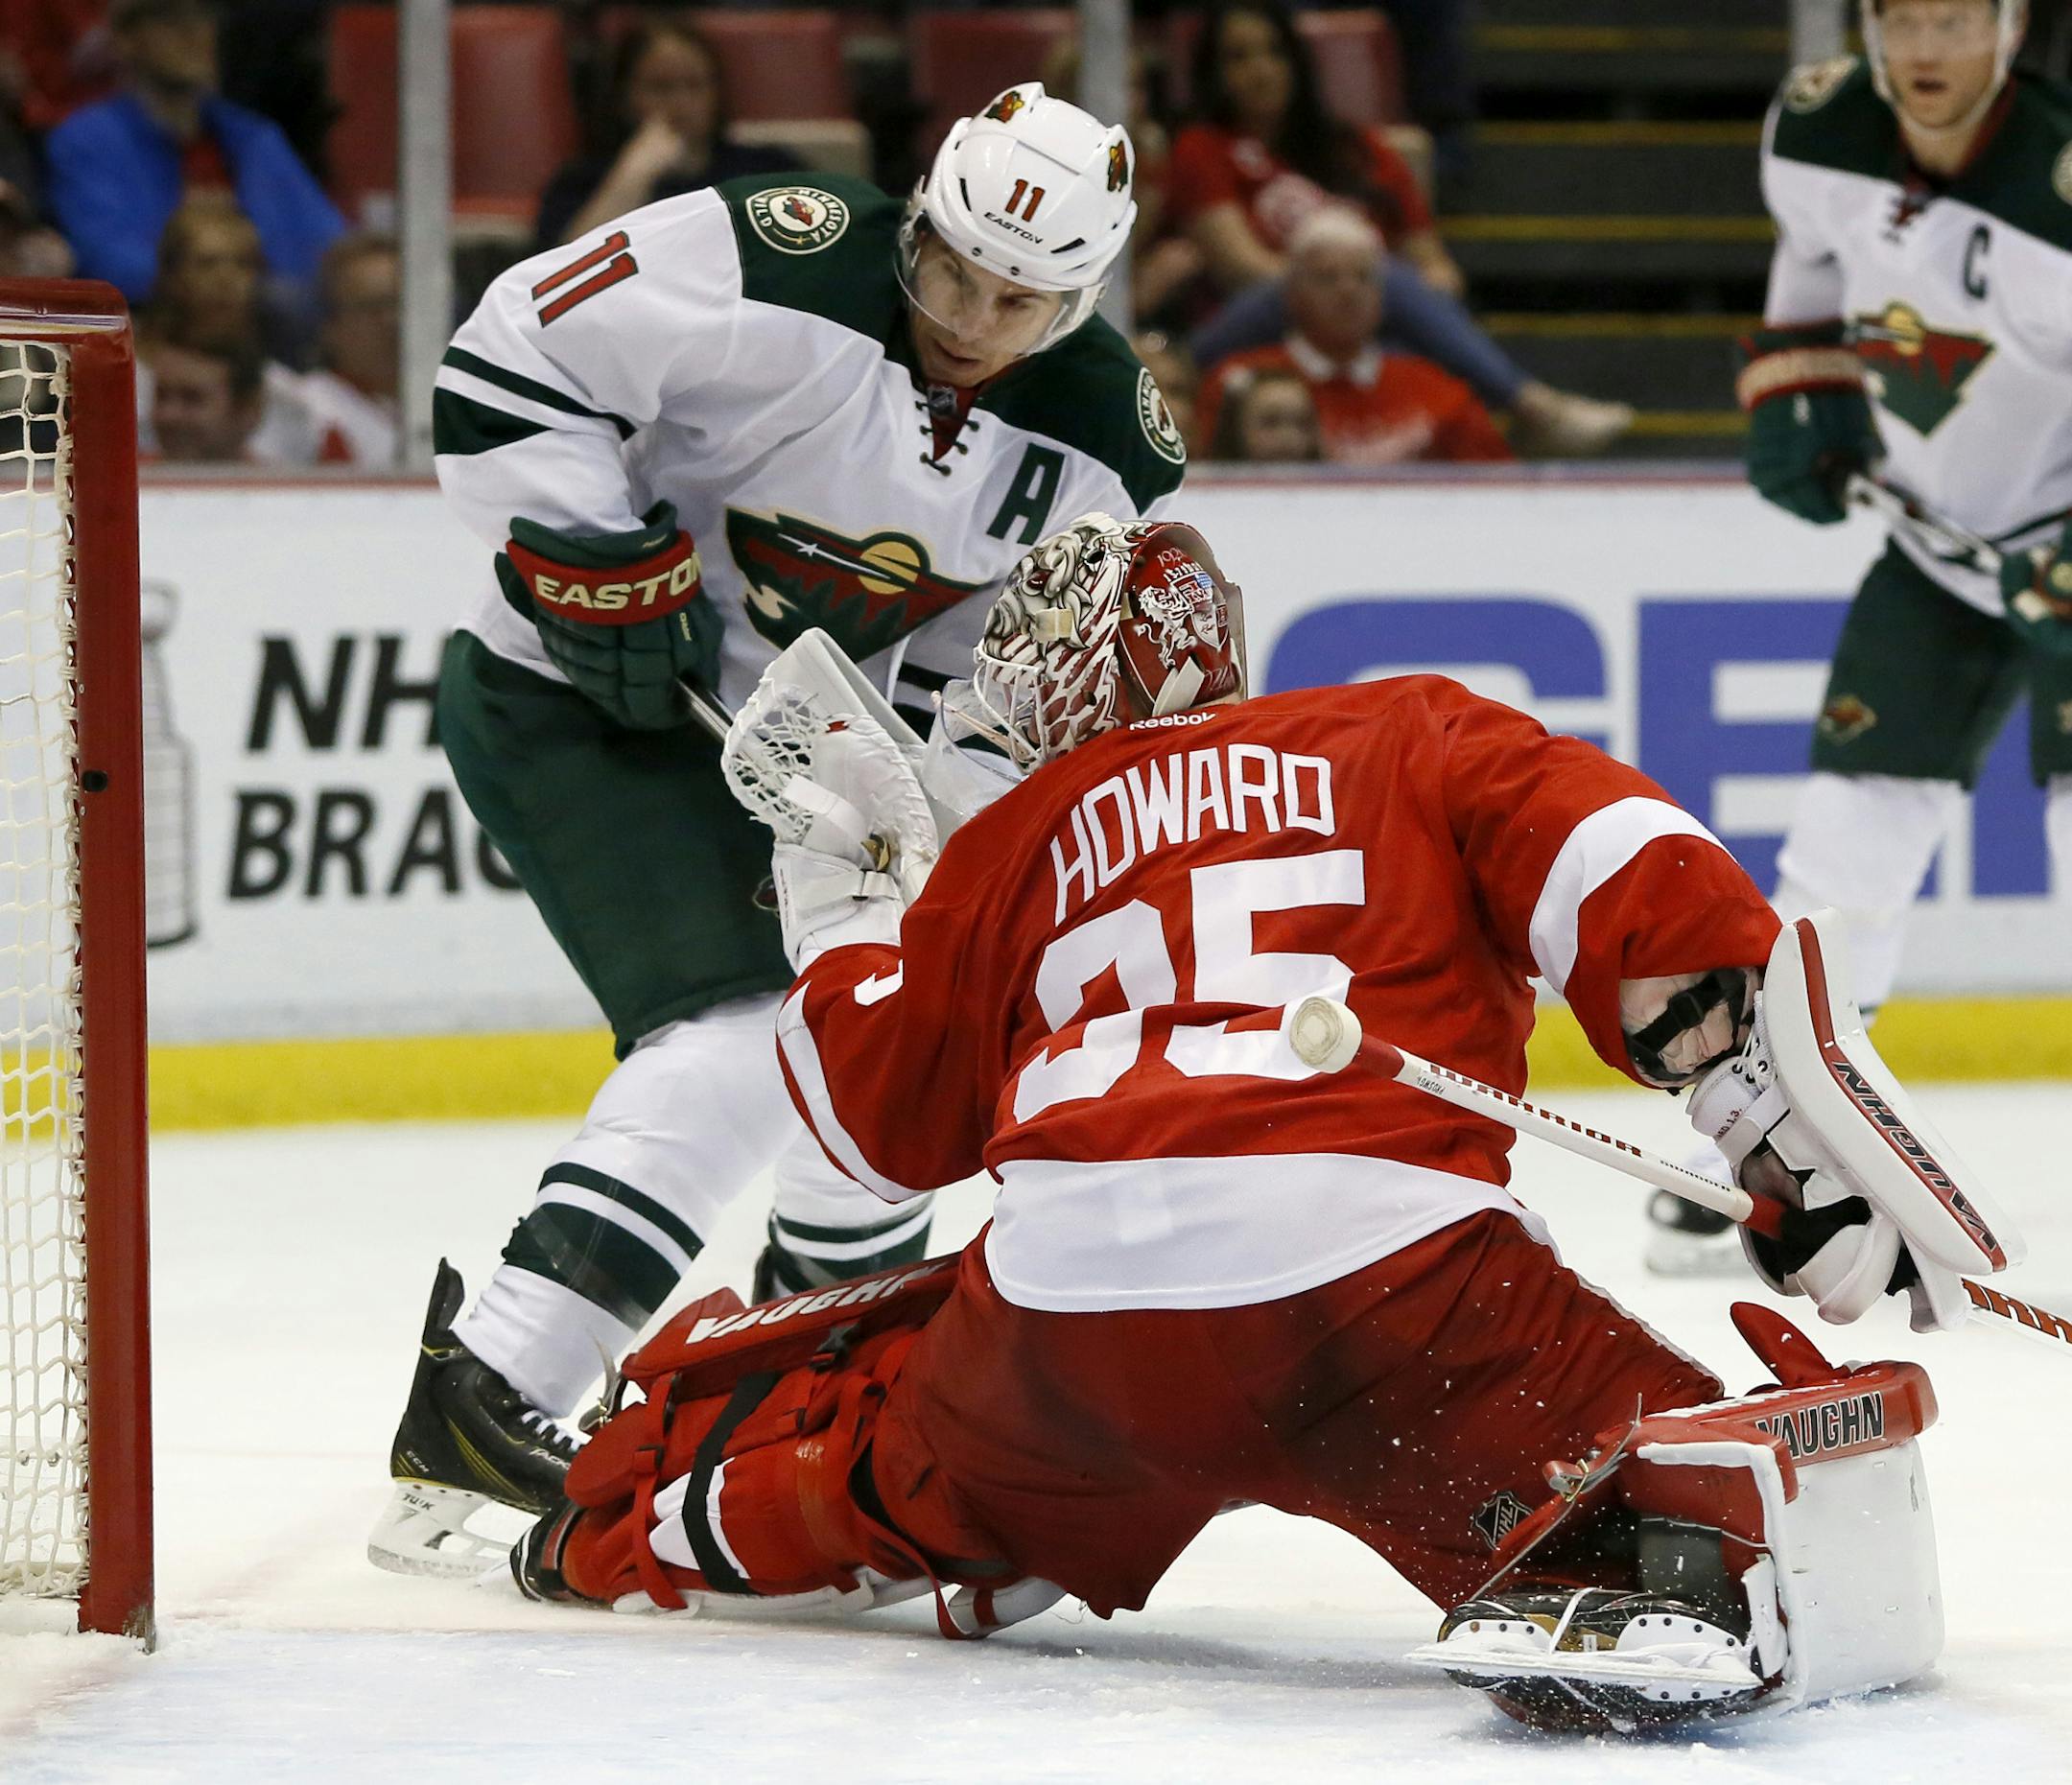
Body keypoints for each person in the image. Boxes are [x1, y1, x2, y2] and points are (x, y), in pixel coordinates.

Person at [511, 512, 2008, 1736]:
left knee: (888, 1453)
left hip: (1062, 1334)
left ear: (1092, 677)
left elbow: (862, 1127)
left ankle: (646, 1520)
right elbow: (1630, 860)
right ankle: (1635, 1550)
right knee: (1726, 1512)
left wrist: (849, 914)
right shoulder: (1403, 729)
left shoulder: (1020, 836)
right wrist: (1753, 1111)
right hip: (1389, 1297)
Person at [369, 83, 1189, 1579]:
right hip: (576, 703)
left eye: (1021, 299)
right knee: (749, 1039)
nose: (971, 319)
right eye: (949, 272)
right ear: (919, 221)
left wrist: (947, 798)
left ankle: (804, 1394)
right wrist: (585, 552)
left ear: (1085, 292)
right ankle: (489, 1392)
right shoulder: (772, 253)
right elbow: (509, 354)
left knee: (877, 1053)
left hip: (799, 758)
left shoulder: (1101, 446)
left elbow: (986, 674)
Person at [1657, 0, 2072, 1272]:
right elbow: (1816, 273)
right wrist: (1801, 385)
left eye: (1960, 15)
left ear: (2011, 25)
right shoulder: (1820, 128)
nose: (1930, 49)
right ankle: (1780, 1140)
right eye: (1907, 16)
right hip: (1935, 555)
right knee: (1842, 851)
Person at [1169, 0, 1632, 457]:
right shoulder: (1204, 149)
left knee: (1389, 301)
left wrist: (1424, 286)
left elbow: (1430, 258)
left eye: (1275, 52)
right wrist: (1339, 279)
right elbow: (1243, 268)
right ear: (1214, 73)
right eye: (1239, 57)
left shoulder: (1360, 148)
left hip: (1367, 320)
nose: (1261, 70)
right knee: (1376, 274)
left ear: (1299, 61)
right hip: (1251, 322)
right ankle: (1531, 406)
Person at [40, 0, 342, 308]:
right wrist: (224, 285)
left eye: (204, 16)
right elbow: (109, 261)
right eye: (170, 17)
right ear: (126, 39)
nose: (194, 32)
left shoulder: (251, 138)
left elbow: (330, 249)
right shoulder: (88, 140)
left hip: (266, 329)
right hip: (150, 331)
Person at [1201, 209, 1511, 464]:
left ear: (1383, 295)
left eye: (1363, 277)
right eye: (1327, 277)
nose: (1348, 291)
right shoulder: (1236, 385)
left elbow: (1499, 487)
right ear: (1292, 296)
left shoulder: (1439, 391)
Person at [534, 16, 802, 251]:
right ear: (624, 97)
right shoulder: (580, 182)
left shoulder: (767, 169)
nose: (680, 102)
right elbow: (559, 276)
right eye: (661, 87)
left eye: (695, 85)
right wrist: (634, 175)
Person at [135, 196, 318, 466]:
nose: (226, 280)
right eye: (207, 263)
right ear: (170, 275)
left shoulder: (290, 397)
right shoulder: (122, 383)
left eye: (242, 264)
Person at [296, 230, 399, 467]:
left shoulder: (462, 405)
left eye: (400, 304)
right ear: (330, 326)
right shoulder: (310, 412)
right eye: (372, 307)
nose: (392, 321)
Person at [145, 333, 262, 461]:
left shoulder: (281, 477)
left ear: (246, 408)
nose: (168, 415)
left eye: (191, 398)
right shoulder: (126, 476)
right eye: (161, 395)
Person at [1206, 361, 1321, 461]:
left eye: (1302, 423)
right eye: (1271, 422)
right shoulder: (1203, 483)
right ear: (1236, 426)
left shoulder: (1329, 484)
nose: (1287, 436)